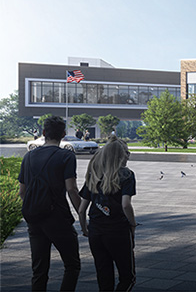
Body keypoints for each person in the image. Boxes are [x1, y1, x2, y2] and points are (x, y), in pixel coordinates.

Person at [18, 115, 82, 291]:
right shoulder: (66, 156)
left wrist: (36, 205)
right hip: (58, 218)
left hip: (34, 219)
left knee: (39, 270)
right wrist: (82, 215)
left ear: (44, 132)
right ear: (63, 134)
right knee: (72, 265)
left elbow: (22, 192)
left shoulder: (28, 157)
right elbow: (71, 189)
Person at [78, 136, 137, 291]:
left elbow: (82, 209)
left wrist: (85, 230)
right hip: (118, 231)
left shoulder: (94, 175)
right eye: (126, 153)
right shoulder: (126, 175)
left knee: (104, 276)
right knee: (127, 277)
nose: (128, 156)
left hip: (96, 232)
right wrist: (133, 224)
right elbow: (126, 205)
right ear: (119, 156)